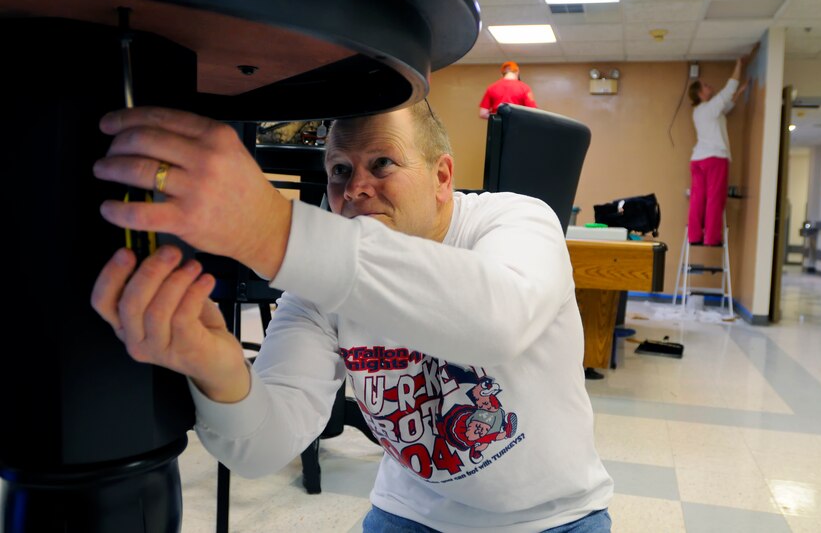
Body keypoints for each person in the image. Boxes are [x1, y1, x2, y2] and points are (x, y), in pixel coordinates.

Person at [90, 100, 613, 532]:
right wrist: (219, 370)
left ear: (441, 176)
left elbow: (497, 321)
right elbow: (262, 447)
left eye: (382, 163)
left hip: (552, 518)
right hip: (410, 512)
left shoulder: (516, 220)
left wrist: (273, 230)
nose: (355, 187)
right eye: (340, 170)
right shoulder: (320, 288)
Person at [686, 57, 748, 246]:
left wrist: (739, 93)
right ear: (700, 93)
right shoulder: (710, 107)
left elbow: (725, 107)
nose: (709, 86)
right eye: (705, 86)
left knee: (697, 199)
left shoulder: (700, 111)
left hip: (698, 160)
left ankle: (694, 236)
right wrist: (739, 65)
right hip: (715, 159)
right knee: (714, 198)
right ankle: (712, 238)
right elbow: (728, 91)